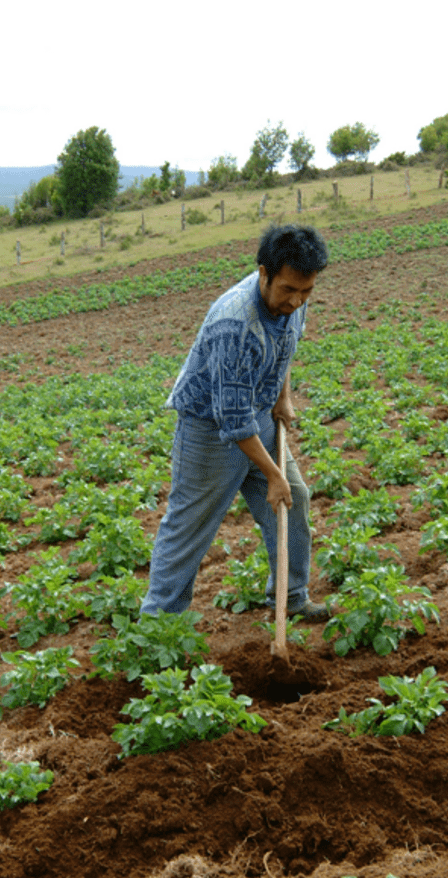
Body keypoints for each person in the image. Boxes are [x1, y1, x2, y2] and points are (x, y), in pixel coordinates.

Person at [140, 223, 330, 621]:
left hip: (257, 413)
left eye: (306, 291)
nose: (297, 300)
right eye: (289, 290)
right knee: (190, 526)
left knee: (293, 500)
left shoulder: (295, 297)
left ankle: (291, 597)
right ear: (264, 273)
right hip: (209, 429)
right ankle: (159, 623)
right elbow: (233, 420)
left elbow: (285, 347)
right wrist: (271, 475)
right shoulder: (235, 323)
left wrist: (282, 395)